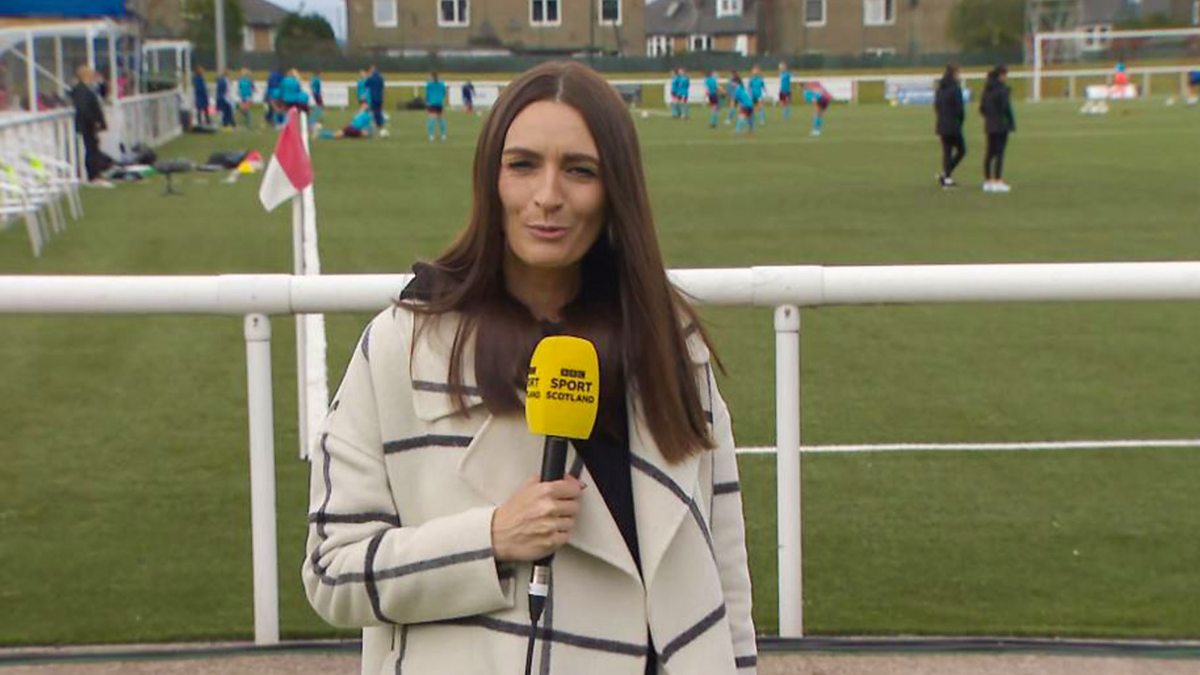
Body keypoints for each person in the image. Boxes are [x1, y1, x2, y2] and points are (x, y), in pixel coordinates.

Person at [303, 60, 757, 675]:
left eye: (580, 170)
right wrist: (490, 538)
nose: (548, 196)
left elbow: (724, 570)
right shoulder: (401, 346)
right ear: (490, 179)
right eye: (522, 165)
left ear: (616, 188)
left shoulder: (669, 344)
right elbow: (332, 571)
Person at [68, 65, 113, 188]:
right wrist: (94, 121)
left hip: (90, 124)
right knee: (91, 150)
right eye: (91, 75)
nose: (93, 77)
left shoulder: (87, 88)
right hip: (88, 124)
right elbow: (84, 108)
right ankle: (93, 176)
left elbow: (102, 92)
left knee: (93, 148)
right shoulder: (81, 90)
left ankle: (95, 174)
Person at [980, 64, 1015, 193]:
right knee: (1000, 153)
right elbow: (1006, 108)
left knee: (989, 153)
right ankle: (998, 180)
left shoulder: (987, 89)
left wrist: (989, 117)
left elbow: (982, 109)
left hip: (989, 125)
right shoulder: (1002, 89)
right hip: (1001, 125)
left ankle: (988, 181)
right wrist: (1011, 122)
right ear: (1001, 75)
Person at [934, 63, 966, 188]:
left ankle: (946, 176)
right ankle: (946, 175)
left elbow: (936, 106)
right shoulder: (955, 89)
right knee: (961, 150)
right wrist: (960, 121)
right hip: (953, 124)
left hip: (941, 123)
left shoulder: (940, 88)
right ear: (954, 73)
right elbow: (960, 109)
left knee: (947, 151)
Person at [425, 71, 447, 141]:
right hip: (440, 103)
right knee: (441, 119)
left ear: (432, 77)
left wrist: (427, 103)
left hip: (432, 103)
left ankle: (431, 135)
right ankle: (443, 135)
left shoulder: (429, 84)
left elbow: (427, 95)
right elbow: (444, 94)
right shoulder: (442, 84)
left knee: (431, 119)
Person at [366, 64, 387, 137]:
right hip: (380, 97)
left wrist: (368, 76)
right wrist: (383, 97)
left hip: (373, 98)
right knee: (379, 111)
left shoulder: (371, 78)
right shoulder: (381, 78)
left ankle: (376, 125)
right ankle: (381, 124)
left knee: (374, 112)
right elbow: (383, 88)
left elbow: (366, 84)